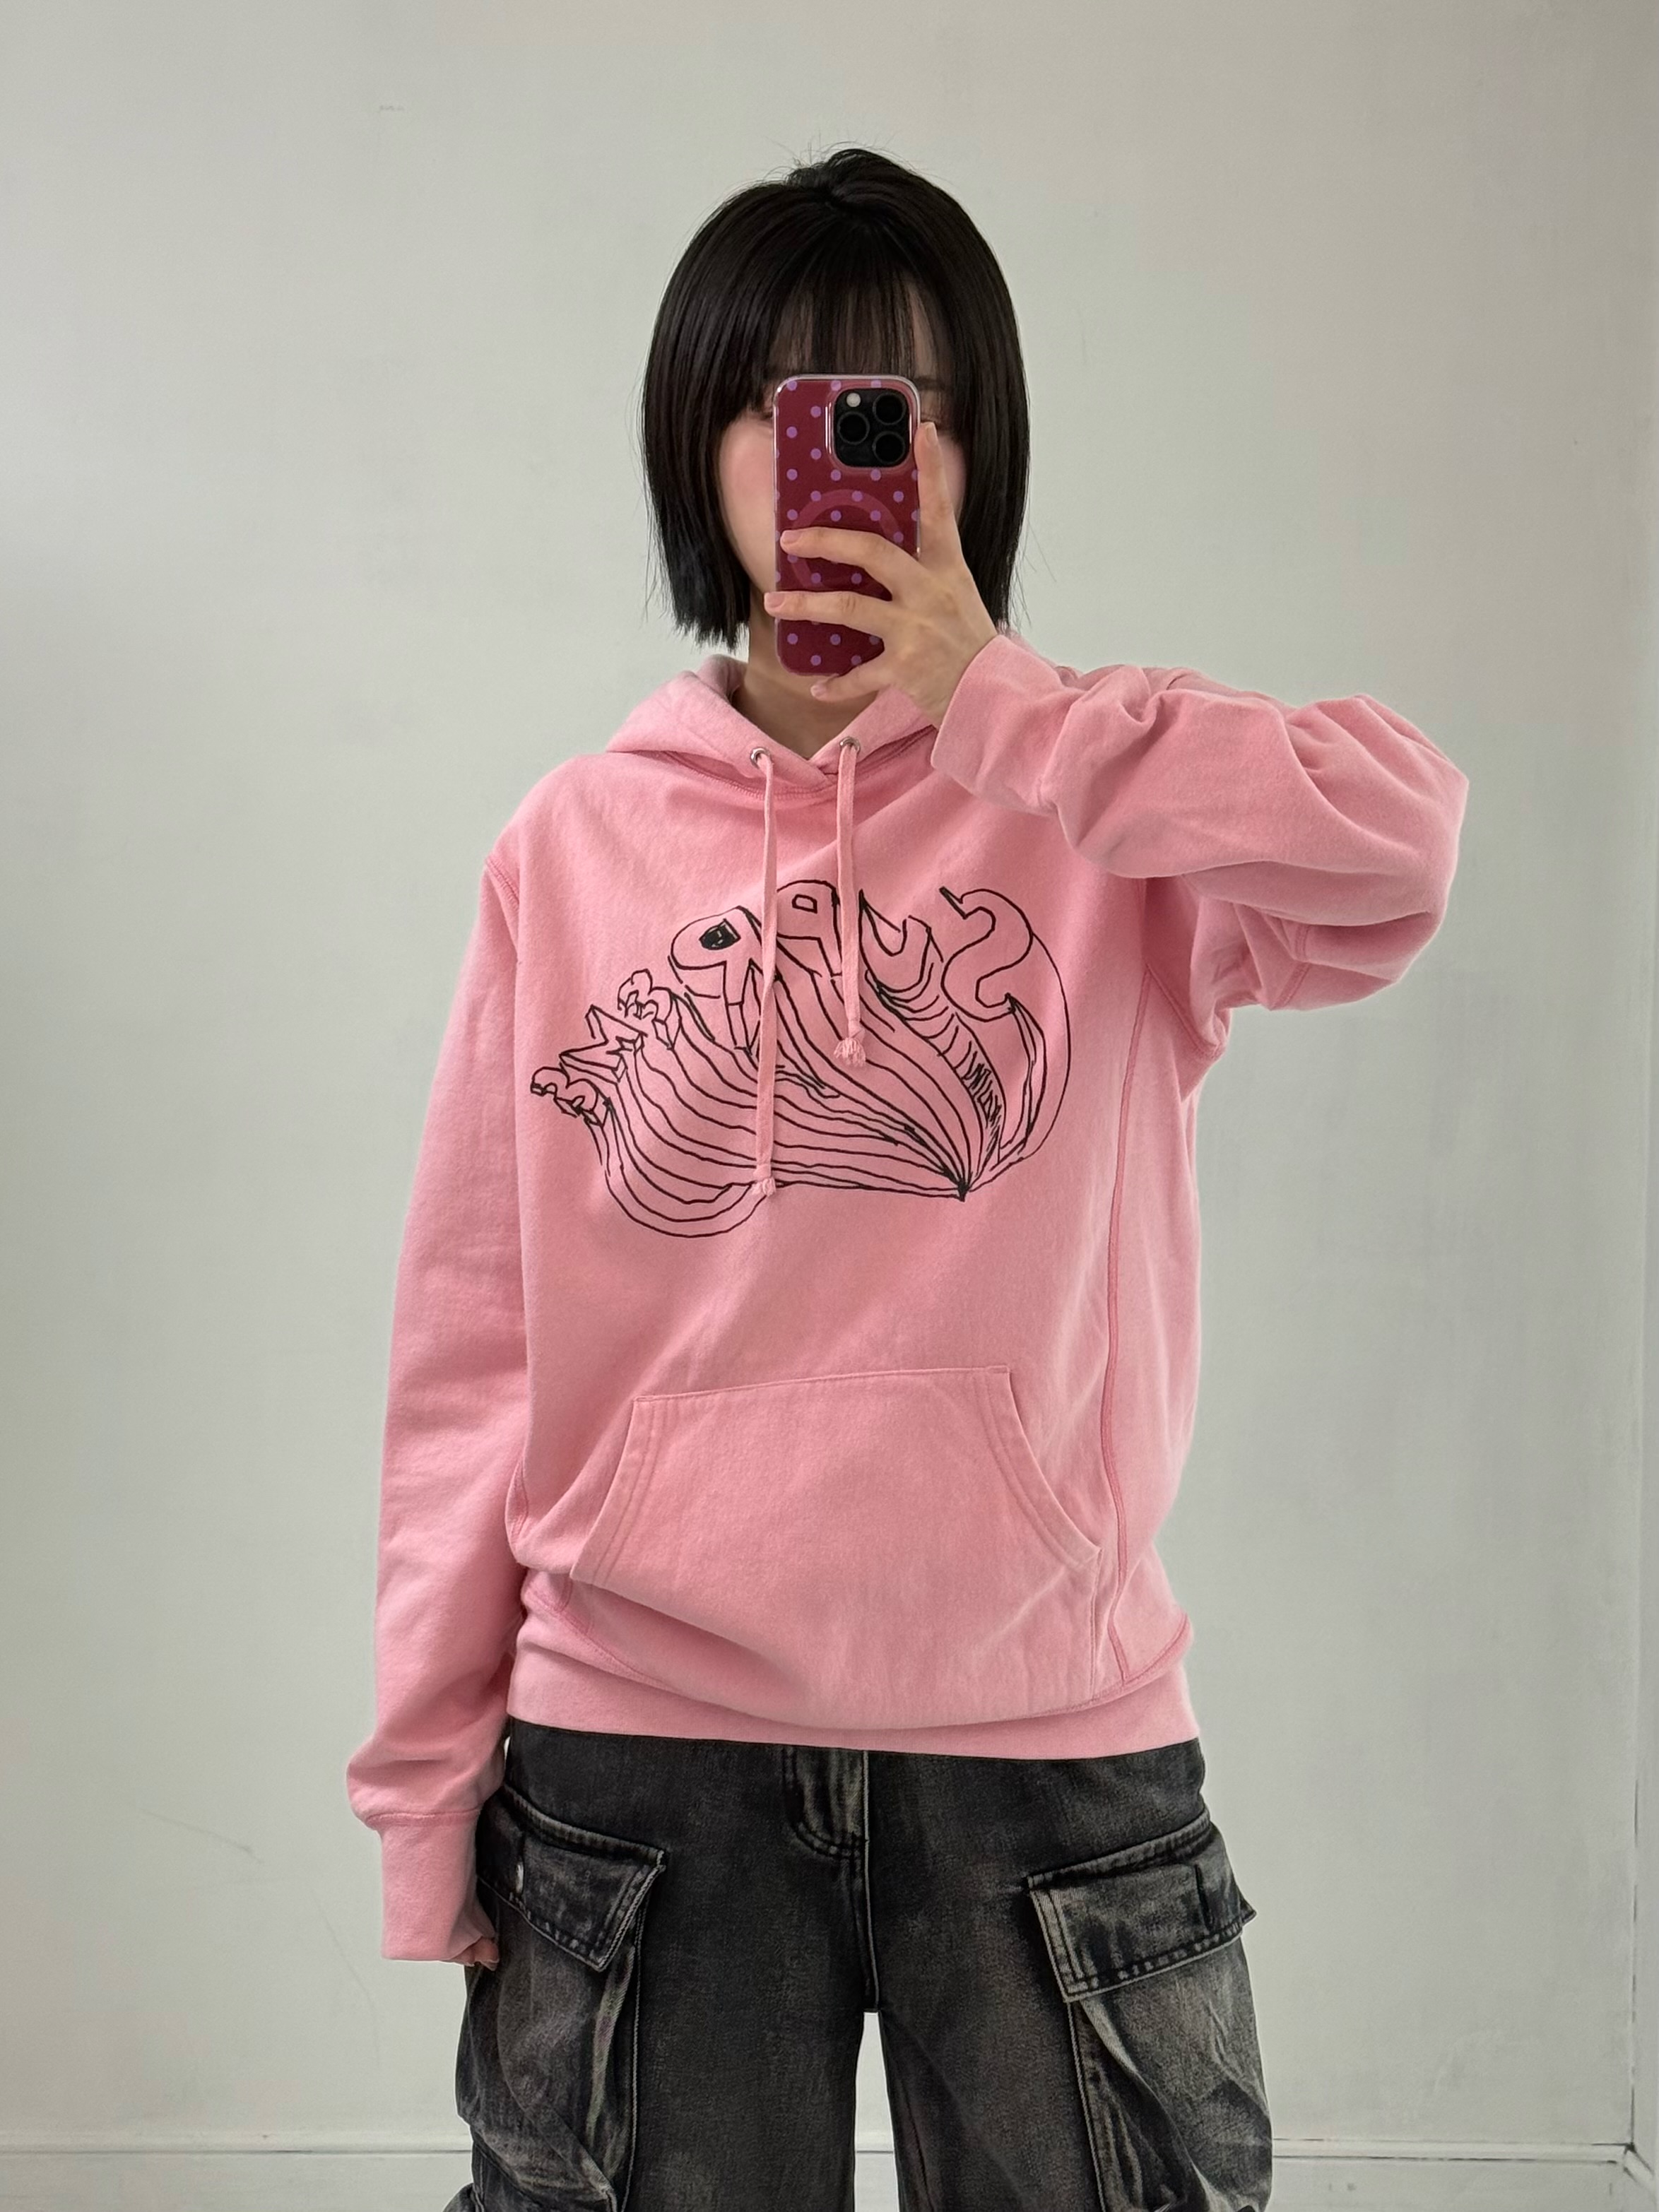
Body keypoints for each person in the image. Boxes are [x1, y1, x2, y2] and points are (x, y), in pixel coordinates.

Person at [346, 144, 1469, 2211]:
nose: (841, 468)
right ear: (701, 450)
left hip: (1049, 1737)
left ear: (977, 452)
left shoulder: (1112, 813)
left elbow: (1399, 849)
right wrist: (425, 1794)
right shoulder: (570, 845)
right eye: (783, 408)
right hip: (640, 1748)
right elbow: (471, 1353)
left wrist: (1010, 711)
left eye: (900, 409)